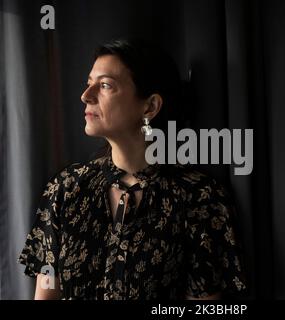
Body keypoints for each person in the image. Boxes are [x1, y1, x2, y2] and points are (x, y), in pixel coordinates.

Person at [18, 38, 247, 300]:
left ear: (150, 106)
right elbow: (46, 295)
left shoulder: (198, 197)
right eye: (88, 83)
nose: (86, 95)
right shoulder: (65, 189)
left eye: (104, 85)